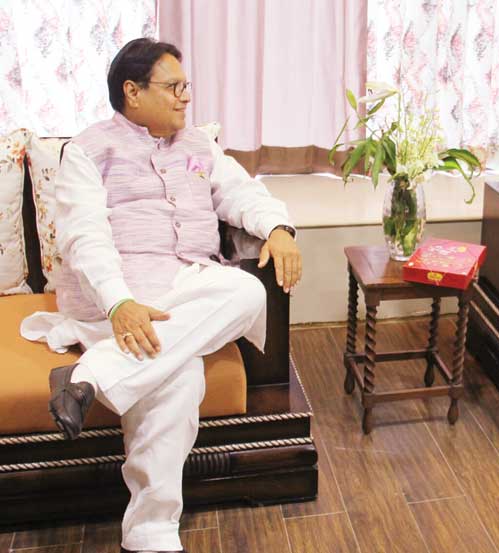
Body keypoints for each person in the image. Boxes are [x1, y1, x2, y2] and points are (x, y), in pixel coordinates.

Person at [21, 38, 302, 553]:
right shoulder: (87, 151)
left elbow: (241, 193)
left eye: (185, 86)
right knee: (178, 372)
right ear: (133, 92)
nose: (185, 97)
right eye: (173, 87)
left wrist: (278, 228)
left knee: (246, 290)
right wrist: (119, 302)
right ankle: (151, 534)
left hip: (187, 286)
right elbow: (84, 236)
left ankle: (91, 376)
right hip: (121, 296)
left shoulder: (198, 146)